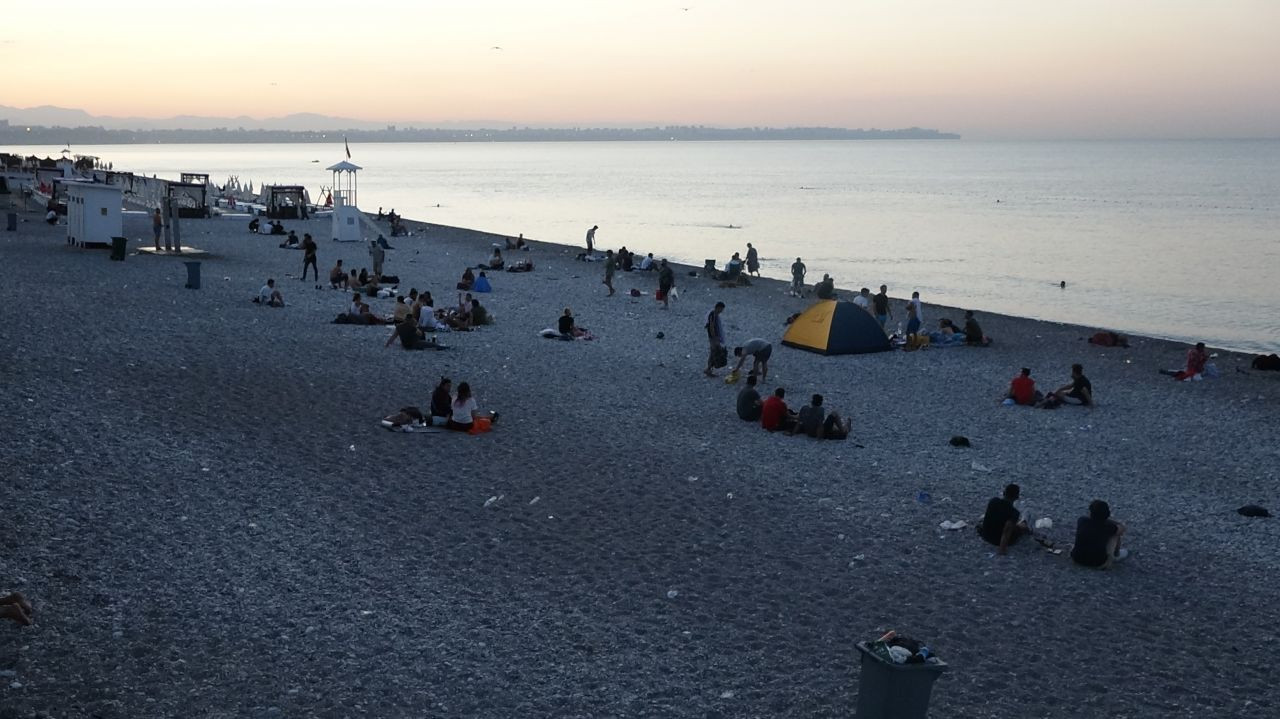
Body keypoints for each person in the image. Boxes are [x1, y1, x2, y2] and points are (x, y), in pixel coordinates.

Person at [1070, 500, 1128, 568]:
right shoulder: (1109, 527)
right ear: (1107, 513)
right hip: (1099, 563)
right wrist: (1114, 522)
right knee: (1116, 535)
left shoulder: (1082, 520)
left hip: (1076, 558)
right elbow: (1122, 529)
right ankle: (1116, 555)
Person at [978, 483, 1029, 555]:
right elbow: (1006, 531)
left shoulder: (993, 501)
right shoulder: (1014, 513)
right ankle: (1025, 526)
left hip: (985, 534)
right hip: (997, 540)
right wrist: (1002, 550)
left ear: (1004, 493)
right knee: (1021, 526)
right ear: (1016, 497)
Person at [704, 301, 726, 377]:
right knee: (714, 353)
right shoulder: (713, 315)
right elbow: (711, 327)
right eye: (721, 309)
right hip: (713, 337)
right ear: (718, 308)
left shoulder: (714, 314)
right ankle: (708, 369)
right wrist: (715, 338)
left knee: (713, 353)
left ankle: (708, 369)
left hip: (714, 337)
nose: (721, 311)